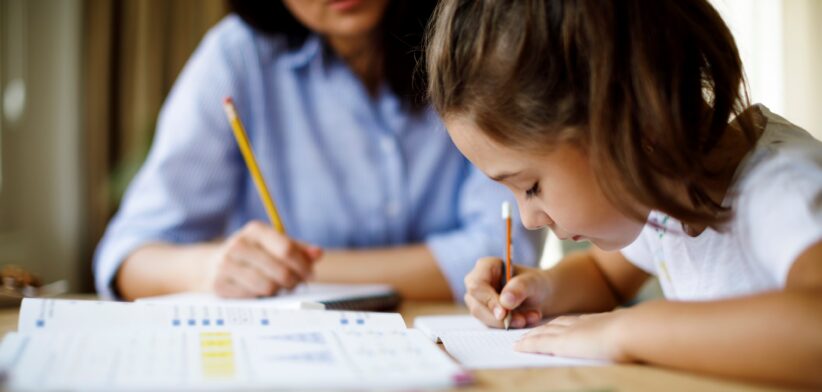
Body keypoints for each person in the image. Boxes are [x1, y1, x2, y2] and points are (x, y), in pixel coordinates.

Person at [426, 0, 822, 387]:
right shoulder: (660, 193)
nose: (530, 219)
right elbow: (604, 277)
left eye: (531, 187)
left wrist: (629, 330)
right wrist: (539, 290)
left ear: (629, 119)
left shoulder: (783, 188)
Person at [93, 0, 540, 302]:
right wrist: (212, 267)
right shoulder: (237, 58)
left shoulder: (475, 42)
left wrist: (295, 275)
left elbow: (503, 252)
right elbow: (127, 257)